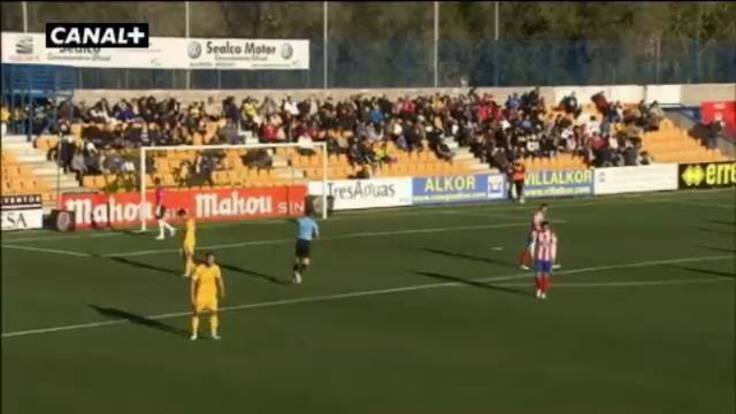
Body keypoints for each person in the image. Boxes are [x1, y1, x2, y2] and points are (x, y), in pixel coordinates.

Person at [190, 252, 225, 341]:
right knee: (196, 313)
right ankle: (194, 333)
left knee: (214, 313)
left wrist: (222, 290)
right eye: (209, 259)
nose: (211, 261)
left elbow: (219, 279)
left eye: (212, 259)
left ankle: (214, 333)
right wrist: (192, 296)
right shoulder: (199, 268)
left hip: (212, 296)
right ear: (206, 259)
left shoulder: (216, 268)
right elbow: (193, 282)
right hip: (201, 296)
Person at [531, 221, 558, 299]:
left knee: (546, 276)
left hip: (548, 259)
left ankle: (544, 292)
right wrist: (532, 255)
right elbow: (533, 244)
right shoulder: (537, 233)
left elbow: (554, 246)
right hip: (539, 258)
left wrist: (553, 257)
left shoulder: (552, 234)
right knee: (537, 275)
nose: (546, 228)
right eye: (544, 227)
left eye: (547, 227)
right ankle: (539, 288)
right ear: (542, 227)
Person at [292, 211, 320, 284]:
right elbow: (316, 235)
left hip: (299, 241)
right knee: (306, 260)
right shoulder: (313, 223)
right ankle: (298, 274)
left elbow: (295, 220)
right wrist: (312, 235)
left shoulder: (301, 221)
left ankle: (294, 273)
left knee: (297, 258)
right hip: (306, 242)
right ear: (312, 216)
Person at [519, 204, 548, 270]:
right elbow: (535, 224)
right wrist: (541, 230)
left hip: (537, 233)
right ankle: (523, 263)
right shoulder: (537, 215)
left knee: (542, 247)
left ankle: (542, 263)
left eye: (546, 209)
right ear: (541, 208)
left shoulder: (541, 215)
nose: (545, 210)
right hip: (534, 233)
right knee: (530, 249)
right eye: (544, 209)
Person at [179, 209, 196, 278]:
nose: (180, 218)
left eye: (181, 216)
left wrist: (186, 244)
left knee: (189, 257)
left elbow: (189, 233)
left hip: (189, 242)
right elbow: (184, 233)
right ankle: (192, 271)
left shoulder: (189, 222)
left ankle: (189, 273)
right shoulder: (186, 222)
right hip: (186, 242)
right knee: (187, 258)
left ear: (183, 215)